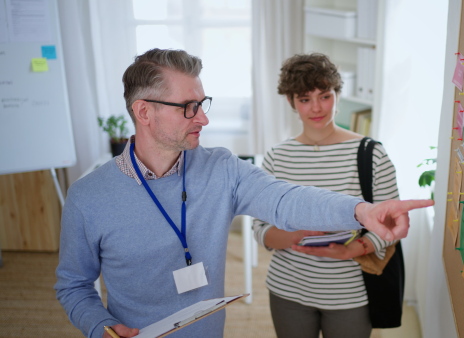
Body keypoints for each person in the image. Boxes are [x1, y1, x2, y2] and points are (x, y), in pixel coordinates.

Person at [54, 48, 433, 338]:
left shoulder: (221, 168)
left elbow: (286, 199)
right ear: (144, 111)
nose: (203, 118)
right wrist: (99, 325)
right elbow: (73, 284)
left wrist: (360, 211)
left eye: (202, 104)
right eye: (189, 107)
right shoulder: (88, 198)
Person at [252, 53, 400, 338]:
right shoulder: (277, 157)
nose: (316, 108)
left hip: (351, 293)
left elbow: (392, 223)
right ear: (291, 102)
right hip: (287, 291)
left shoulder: (371, 154)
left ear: (338, 95)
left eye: (325, 96)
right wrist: (297, 234)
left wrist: (351, 250)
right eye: (305, 99)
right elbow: (260, 229)